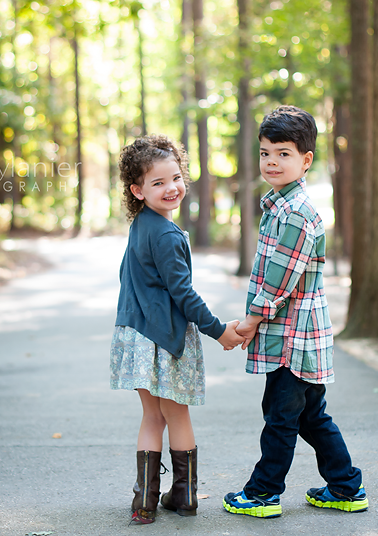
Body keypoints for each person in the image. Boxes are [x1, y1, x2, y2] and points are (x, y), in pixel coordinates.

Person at [222, 106, 368, 519]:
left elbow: (279, 282)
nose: (271, 161)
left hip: (293, 337)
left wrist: (250, 321)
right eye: (266, 153)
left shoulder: (298, 213)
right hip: (293, 335)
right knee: (310, 416)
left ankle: (263, 493)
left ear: (306, 160)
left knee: (281, 417)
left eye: (283, 154)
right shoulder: (279, 206)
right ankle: (346, 486)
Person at [110, 134, 244, 525]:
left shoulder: (142, 226)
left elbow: (129, 279)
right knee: (178, 418)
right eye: (157, 183)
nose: (171, 188)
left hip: (135, 335)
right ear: (137, 190)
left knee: (153, 417)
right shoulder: (167, 234)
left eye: (175, 178)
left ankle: (144, 503)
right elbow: (183, 294)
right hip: (163, 339)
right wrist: (219, 331)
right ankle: (183, 496)